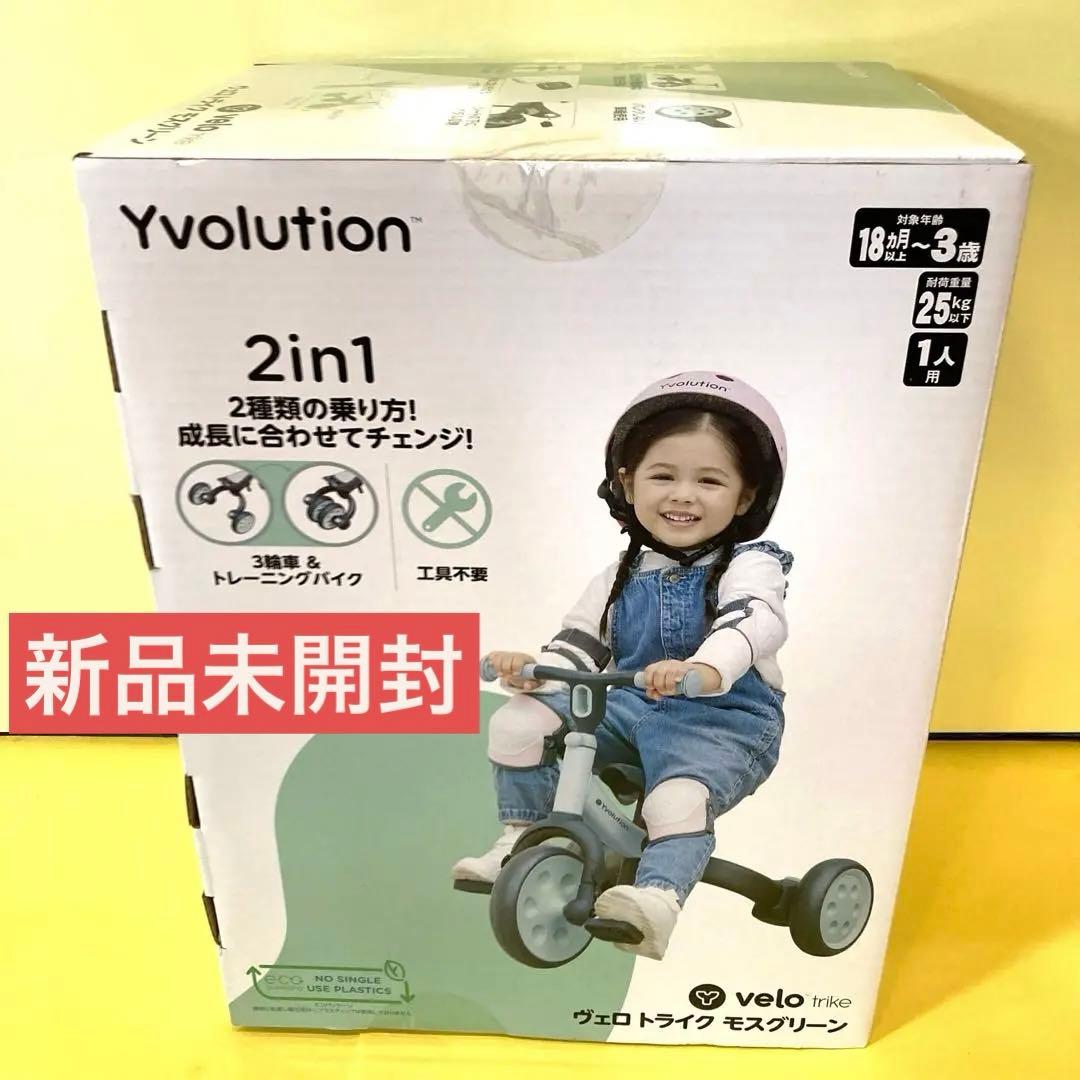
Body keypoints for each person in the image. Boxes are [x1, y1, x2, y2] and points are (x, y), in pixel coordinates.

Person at [453, 371, 792, 960]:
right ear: (628, 485)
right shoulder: (620, 574)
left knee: (672, 803)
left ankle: (656, 900)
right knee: (520, 721)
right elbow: (582, 640)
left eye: (709, 480)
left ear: (744, 497)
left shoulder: (750, 564)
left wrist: (707, 667)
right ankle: (520, 840)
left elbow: (753, 618)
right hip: (629, 704)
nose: (683, 495)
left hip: (723, 719)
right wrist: (537, 670)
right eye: (663, 476)